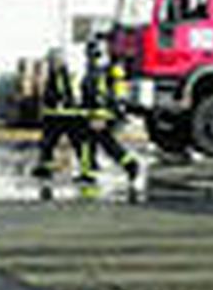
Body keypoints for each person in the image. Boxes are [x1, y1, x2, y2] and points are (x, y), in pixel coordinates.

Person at [79, 39, 140, 184]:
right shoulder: (97, 68)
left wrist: (99, 115)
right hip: (97, 113)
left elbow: (100, 93)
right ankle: (88, 172)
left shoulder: (100, 70)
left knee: (105, 143)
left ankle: (130, 165)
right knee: (92, 142)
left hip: (101, 114)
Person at [31, 48, 87, 179]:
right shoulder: (57, 73)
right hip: (59, 115)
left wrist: (52, 101)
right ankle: (45, 168)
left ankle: (86, 171)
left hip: (61, 116)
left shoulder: (60, 73)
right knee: (48, 143)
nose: (51, 63)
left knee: (55, 142)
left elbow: (61, 94)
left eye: (53, 60)